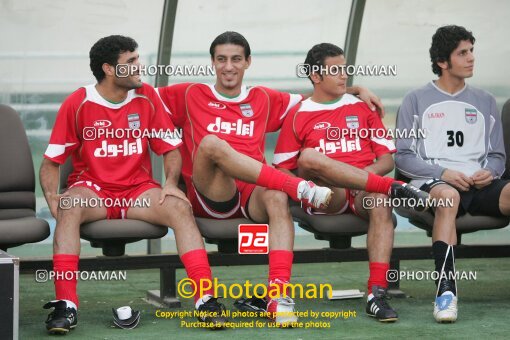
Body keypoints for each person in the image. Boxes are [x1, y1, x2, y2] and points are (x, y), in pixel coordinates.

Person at [156, 31, 425, 324]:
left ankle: (278, 297)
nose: (228, 66)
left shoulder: (266, 99)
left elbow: (318, 96)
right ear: (212, 63)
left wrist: (355, 88)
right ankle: (304, 187)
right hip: (213, 194)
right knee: (212, 144)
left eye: (236, 59)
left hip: (252, 196)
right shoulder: (188, 93)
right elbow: (140, 97)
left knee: (276, 195)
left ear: (248, 62)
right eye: (221, 59)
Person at [40, 35, 220, 334]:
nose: (141, 66)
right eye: (132, 62)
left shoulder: (147, 95)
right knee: (69, 206)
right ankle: (66, 304)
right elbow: (52, 161)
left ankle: (206, 298)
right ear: (109, 69)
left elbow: (170, 148)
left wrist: (171, 183)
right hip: (93, 191)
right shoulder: (79, 101)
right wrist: (52, 197)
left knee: (179, 207)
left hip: (138, 192)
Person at [274, 43, 430, 322]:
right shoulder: (298, 113)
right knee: (310, 157)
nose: (344, 75)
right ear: (315, 76)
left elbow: (386, 161)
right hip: (326, 194)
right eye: (334, 70)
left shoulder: (362, 107)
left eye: (345, 68)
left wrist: (363, 179)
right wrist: (307, 189)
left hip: (363, 190)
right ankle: (391, 188)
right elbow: (282, 170)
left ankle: (376, 293)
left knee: (380, 199)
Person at [395, 25, 509, 323]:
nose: (471, 58)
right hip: (436, 183)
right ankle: (446, 292)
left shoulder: (485, 101)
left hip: (479, 184)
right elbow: (404, 157)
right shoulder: (415, 100)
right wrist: (443, 172)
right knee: (447, 197)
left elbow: (497, 156)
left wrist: (491, 172)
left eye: (472, 51)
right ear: (443, 62)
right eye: (463, 53)